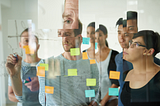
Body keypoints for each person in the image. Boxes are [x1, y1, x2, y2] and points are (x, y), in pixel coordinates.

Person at [121, 30, 160, 106]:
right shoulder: (128, 74)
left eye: (135, 44)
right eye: (131, 43)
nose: (129, 47)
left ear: (148, 51)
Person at [7, 28, 41, 106]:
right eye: (26, 41)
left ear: (38, 46)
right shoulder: (16, 67)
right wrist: (26, 98)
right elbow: (10, 95)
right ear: (20, 45)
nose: (30, 44)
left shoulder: (46, 65)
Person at [94, 24, 119, 106]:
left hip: (111, 99)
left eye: (100, 35)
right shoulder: (92, 57)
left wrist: (103, 102)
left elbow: (115, 84)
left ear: (106, 36)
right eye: (96, 37)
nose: (97, 39)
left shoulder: (114, 55)